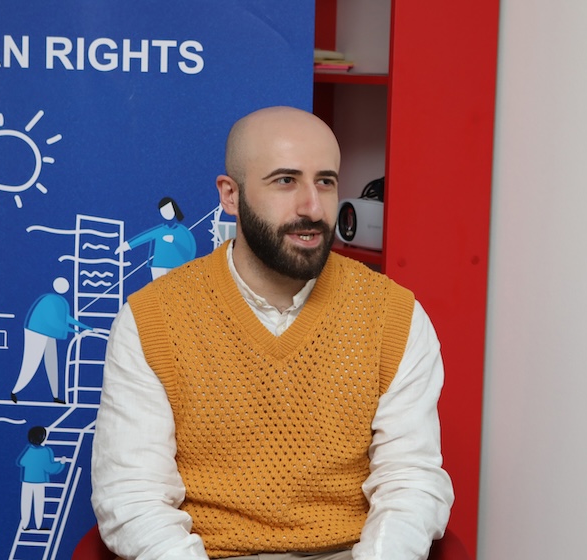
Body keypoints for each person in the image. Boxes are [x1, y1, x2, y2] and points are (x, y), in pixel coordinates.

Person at [91, 106, 453, 560]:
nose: (313, 207)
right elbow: (132, 496)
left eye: (325, 181)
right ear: (230, 195)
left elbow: (411, 480)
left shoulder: (395, 316)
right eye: (286, 181)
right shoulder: (152, 320)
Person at [10, 277, 93, 404]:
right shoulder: (49, 301)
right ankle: (15, 391)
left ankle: (55, 397)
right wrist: (76, 332)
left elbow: (66, 318)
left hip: (48, 333)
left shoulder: (60, 301)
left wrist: (87, 328)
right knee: (31, 363)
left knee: (52, 363)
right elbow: (54, 322)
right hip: (36, 332)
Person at [116, 196, 198, 280]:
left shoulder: (182, 231)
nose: (166, 213)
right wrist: (126, 245)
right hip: (158, 266)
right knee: (158, 290)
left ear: (175, 209)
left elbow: (190, 250)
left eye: (168, 210)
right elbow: (144, 237)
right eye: (163, 211)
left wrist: (174, 241)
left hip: (177, 266)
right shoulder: (160, 230)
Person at [17, 426, 68, 531]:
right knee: (39, 503)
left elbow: (21, 462)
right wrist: (61, 463)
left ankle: (25, 525)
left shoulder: (29, 449)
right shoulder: (46, 451)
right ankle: (38, 525)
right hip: (39, 481)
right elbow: (50, 468)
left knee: (26, 503)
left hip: (27, 480)